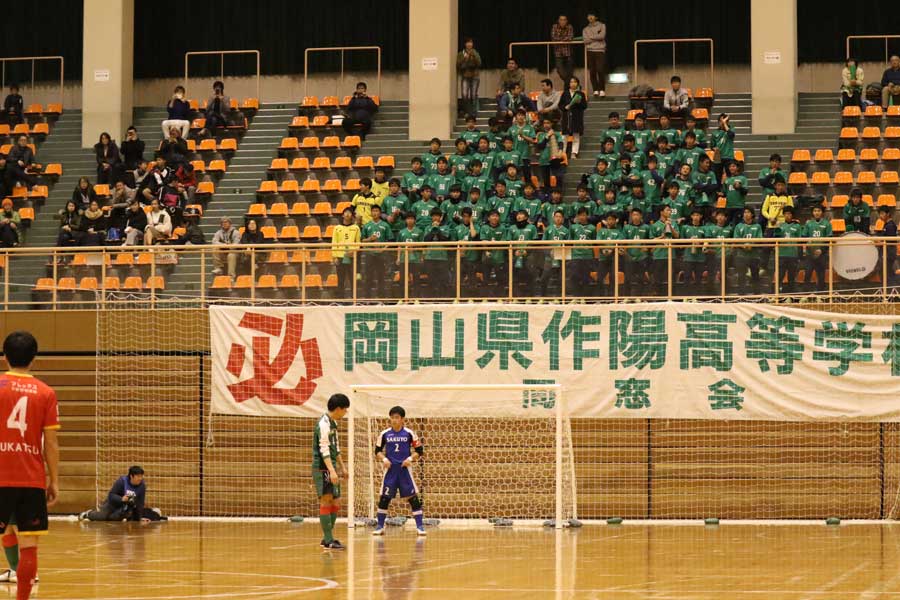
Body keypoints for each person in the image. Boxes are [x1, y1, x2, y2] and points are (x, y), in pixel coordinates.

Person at [0, 331, 60, 599]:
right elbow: (51, 443)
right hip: (30, 479)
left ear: (4, 357)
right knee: (29, 546)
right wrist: (54, 479)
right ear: (34, 358)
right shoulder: (46, 392)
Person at [373, 406, 426, 536]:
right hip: (390, 471)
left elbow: (419, 451)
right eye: (392, 417)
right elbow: (377, 451)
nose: (394, 420)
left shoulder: (409, 433)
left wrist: (410, 458)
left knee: (413, 498)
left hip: (404, 470)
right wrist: (384, 459)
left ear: (402, 419)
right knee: (385, 498)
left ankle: (420, 527)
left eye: (397, 417)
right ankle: (380, 526)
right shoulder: (384, 434)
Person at [313, 393, 351, 550]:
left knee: (336, 501)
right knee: (326, 500)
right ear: (338, 409)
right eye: (345, 410)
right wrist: (331, 471)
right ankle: (328, 540)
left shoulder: (333, 423)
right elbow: (324, 450)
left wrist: (342, 467)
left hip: (331, 466)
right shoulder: (323, 424)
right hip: (322, 467)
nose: (346, 413)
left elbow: (336, 448)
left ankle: (327, 537)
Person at [78, 466, 165, 522]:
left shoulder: (142, 486)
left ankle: (153, 513)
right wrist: (121, 499)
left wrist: (139, 518)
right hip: (112, 504)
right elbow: (111, 495)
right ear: (131, 476)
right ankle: (88, 514)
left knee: (116, 520)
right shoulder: (122, 481)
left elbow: (140, 503)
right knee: (102, 517)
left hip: (126, 507)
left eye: (141, 476)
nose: (140, 478)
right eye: (138, 476)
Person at [361, 204, 393, 298]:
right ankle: (367, 298)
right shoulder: (367, 226)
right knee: (368, 276)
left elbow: (390, 240)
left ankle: (381, 298)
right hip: (370, 254)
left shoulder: (385, 225)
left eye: (377, 211)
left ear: (380, 213)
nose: (375, 213)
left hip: (381, 254)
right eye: (373, 211)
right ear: (371, 213)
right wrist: (369, 239)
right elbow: (362, 240)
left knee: (381, 276)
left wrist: (383, 249)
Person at [649, 204, 680, 296]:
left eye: (670, 210)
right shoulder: (655, 225)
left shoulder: (673, 223)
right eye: (667, 210)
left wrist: (670, 226)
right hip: (658, 255)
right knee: (657, 279)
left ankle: (672, 297)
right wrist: (662, 237)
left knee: (671, 278)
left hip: (671, 255)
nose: (669, 212)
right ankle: (658, 297)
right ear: (661, 212)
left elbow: (677, 236)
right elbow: (651, 240)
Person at [423, 207, 452, 297]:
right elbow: (426, 240)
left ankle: (443, 298)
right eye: (434, 216)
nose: (435, 218)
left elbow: (446, 240)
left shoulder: (446, 228)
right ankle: (431, 299)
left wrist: (437, 229)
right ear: (431, 217)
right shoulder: (428, 228)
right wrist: (433, 229)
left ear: (441, 217)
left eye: (437, 216)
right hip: (430, 257)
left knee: (443, 280)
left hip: (442, 257)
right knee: (431, 280)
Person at [332, 207, 361, 297]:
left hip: (352, 257)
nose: (347, 214)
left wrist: (354, 251)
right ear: (342, 215)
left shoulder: (356, 228)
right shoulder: (337, 228)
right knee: (341, 280)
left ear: (352, 216)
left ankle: (354, 300)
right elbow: (334, 243)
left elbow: (358, 243)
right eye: (346, 212)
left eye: (349, 213)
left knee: (353, 279)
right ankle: (341, 300)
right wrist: (335, 257)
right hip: (340, 257)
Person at [733, 207, 763, 293]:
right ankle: (741, 295)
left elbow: (760, 239)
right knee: (741, 276)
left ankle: (757, 295)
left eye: (748, 212)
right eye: (745, 212)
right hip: (741, 255)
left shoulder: (757, 226)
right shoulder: (738, 226)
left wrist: (751, 245)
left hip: (754, 255)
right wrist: (743, 246)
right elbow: (735, 239)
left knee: (755, 276)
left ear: (752, 214)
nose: (746, 214)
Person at [803, 204, 832, 293]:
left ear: (822, 212)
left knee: (821, 275)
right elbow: (804, 237)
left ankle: (820, 295)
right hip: (810, 254)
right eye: (815, 211)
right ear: (812, 212)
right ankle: (806, 295)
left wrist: (821, 250)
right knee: (807, 274)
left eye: (818, 211)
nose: (817, 213)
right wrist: (807, 246)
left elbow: (829, 240)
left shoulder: (827, 224)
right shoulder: (808, 224)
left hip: (821, 254)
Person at [775, 205, 803, 294]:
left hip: (793, 255)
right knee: (780, 276)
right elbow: (775, 238)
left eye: (789, 214)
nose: (787, 216)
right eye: (785, 214)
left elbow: (800, 241)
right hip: (781, 255)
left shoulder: (797, 226)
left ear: (792, 215)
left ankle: (791, 296)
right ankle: (777, 295)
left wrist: (800, 254)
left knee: (792, 277)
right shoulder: (780, 225)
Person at [396, 212, 424, 297]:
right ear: (405, 220)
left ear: (415, 220)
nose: (410, 220)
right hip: (404, 259)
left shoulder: (419, 232)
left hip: (415, 259)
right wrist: (398, 258)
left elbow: (422, 246)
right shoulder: (401, 232)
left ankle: (416, 299)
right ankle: (403, 298)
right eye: (408, 219)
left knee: (416, 280)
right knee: (403, 280)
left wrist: (421, 255)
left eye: (412, 219)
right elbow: (399, 246)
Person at [560, 76, 587, 158]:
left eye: (575, 82)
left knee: (576, 135)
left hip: (576, 117)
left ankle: (574, 152)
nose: (573, 84)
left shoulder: (580, 94)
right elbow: (560, 105)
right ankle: (563, 152)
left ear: (577, 83)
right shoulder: (565, 93)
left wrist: (578, 103)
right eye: (571, 82)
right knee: (565, 136)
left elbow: (584, 106)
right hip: (566, 117)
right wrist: (565, 107)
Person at [583, 12, 607, 97]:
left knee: (600, 70)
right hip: (590, 51)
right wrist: (596, 36)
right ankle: (595, 90)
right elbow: (586, 40)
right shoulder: (585, 29)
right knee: (592, 71)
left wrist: (591, 37)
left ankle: (602, 90)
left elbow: (602, 36)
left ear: (596, 17)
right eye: (589, 16)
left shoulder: (602, 25)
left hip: (600, 50)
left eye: (592, 15)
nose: (590, 17)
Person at [456, 38, 482, 116]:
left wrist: (473, 56)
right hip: (465, 76)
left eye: (471, 42)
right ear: (465, 44)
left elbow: (479, 63)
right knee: (464, 94)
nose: (469, 44)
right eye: (468, 42)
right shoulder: (461, 53)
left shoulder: (475, 52)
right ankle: (467, 111)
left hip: (475, 76)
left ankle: (474, 112)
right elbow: (458, 65)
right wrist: (465, 58)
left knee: (473, 94)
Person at [551, 15, 575, 85]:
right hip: (558, 52)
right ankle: (572, 84)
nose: (563, 21)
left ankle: (568, 88)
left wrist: (560, 40)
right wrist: (564, 40)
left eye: (564, 20)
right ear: (558, 21)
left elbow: (570, 37)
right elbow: (553, 38)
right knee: (560, 71)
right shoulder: (554, 27)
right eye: (561, 20)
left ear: (566, 21)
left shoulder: (569, 27)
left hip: (568, 52)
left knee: (569, 72)